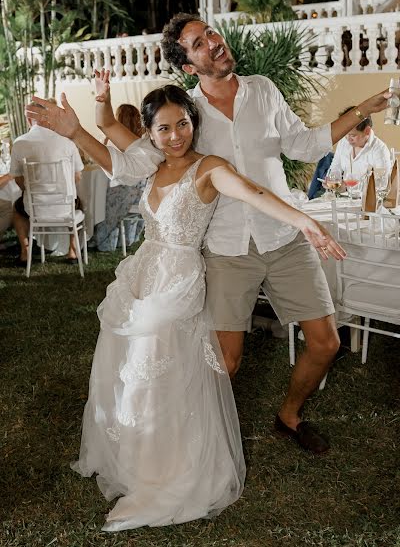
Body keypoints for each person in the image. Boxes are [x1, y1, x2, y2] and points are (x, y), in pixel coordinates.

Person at [26, 85, 344, 531]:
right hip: (144, 272)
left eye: (183, 123)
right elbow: (112, 154)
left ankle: (171, 466)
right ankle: (139, 454)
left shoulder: (209, 168)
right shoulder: (151, 163)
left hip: (177, 282)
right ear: (151, 134)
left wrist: (304, 220)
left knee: (165, 372)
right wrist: (75, 129)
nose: (176, 135)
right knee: (134, 371)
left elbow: (254, 192)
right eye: (164, 128)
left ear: (194, 123)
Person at [92, 14, 390, 454]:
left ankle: (289, 416)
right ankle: (198, 436)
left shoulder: (264, 89)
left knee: (326, 342)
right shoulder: (186, 114)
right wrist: (94, 118)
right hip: (226, 247)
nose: (212, 42)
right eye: (197, 43)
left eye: (210, 32)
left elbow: (305, 145)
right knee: (225, 362)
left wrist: (361, 110)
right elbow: (143, 153)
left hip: (284, 238)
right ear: (188, 65)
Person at [10, 102, 84, 265]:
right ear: (47, 117)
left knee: (17, 208)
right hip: (65, 208)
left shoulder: (19, 143)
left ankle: (25, 251)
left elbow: (18, 179)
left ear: (29, 120)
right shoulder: (67, 142)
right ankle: (72, 251)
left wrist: (30, 191)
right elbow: (77, 177)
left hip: (34, 209)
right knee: (80, 203)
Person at [92, 104, 145, 251]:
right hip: (141, 194)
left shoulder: (111, 140)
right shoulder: (142, 141)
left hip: (122, 190)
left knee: (100, 198)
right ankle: (129, 237)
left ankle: (101, 238)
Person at [328, 106, 391, 187]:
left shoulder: (380, 150)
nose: (348, 139)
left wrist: (347, 187)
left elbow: (382, 183)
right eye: (345, 134)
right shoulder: (343, 141)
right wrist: (333, 180)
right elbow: (335, 167)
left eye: (352, 135)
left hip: (364, 199)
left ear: (367, 131)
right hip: (343, 198)